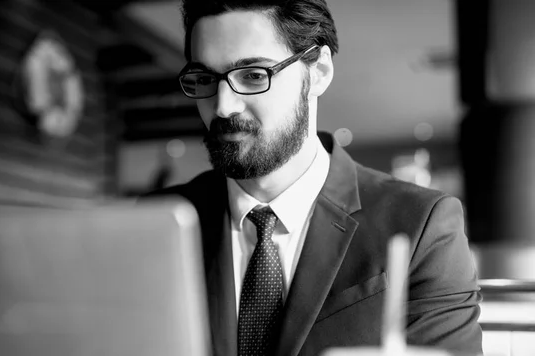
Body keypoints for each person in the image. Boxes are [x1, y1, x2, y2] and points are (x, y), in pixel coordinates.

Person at [148, 1, 483, 355]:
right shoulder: (154, 224)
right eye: (204, 79)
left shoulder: (422, 226)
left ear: (319, 70)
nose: (223, 106)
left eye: (253, 75)